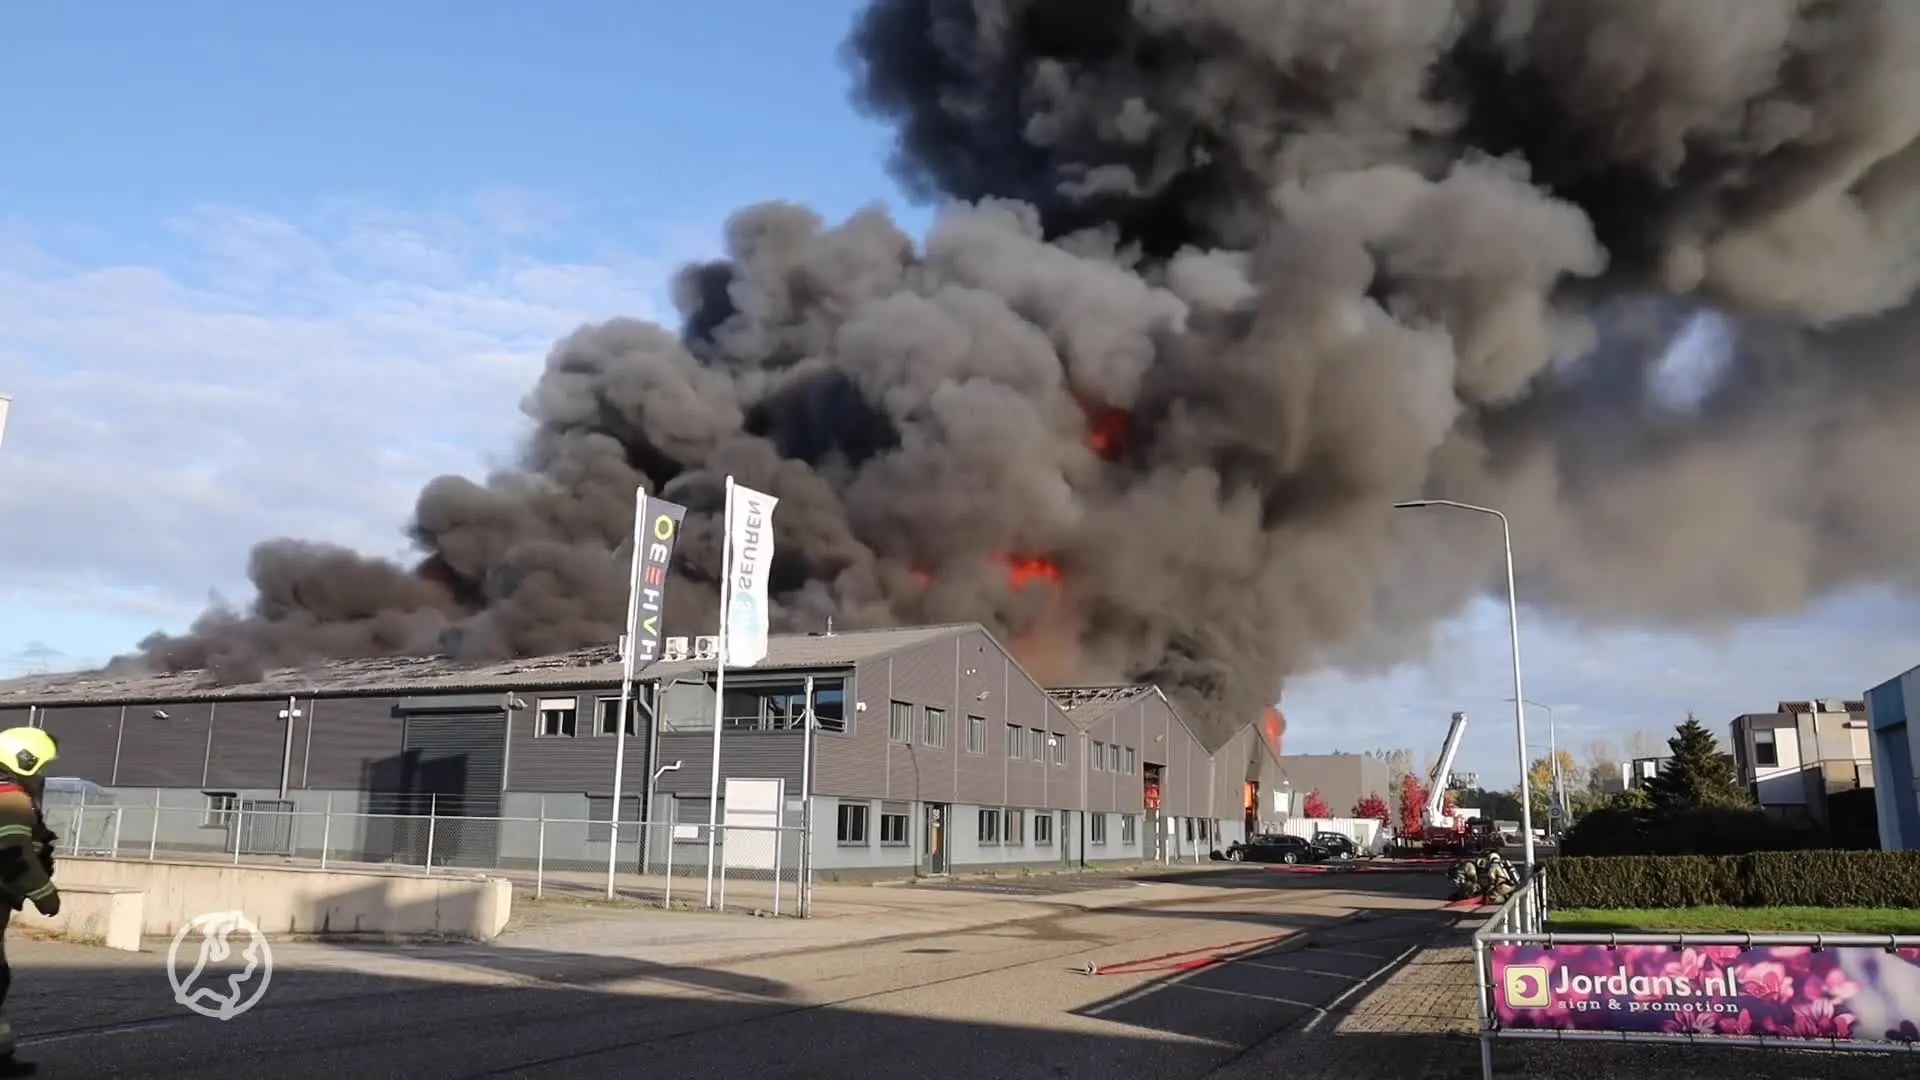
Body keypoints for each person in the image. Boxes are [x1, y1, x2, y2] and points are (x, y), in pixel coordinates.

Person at [0, 728, 59, 1077]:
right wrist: (44, 895)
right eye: (38, 767)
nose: (40, 776)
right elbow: (13, 853)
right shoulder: (10, 798)